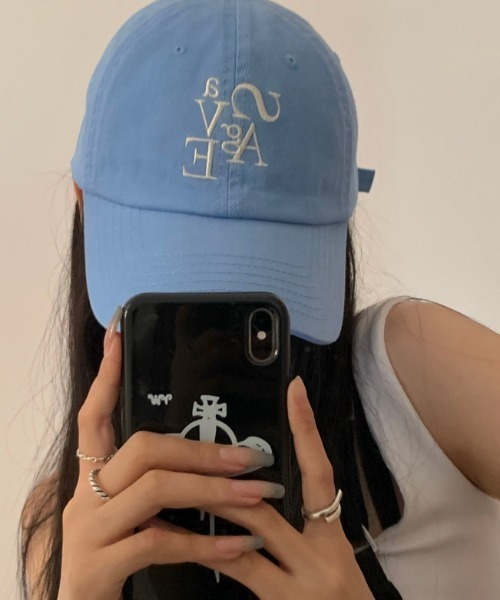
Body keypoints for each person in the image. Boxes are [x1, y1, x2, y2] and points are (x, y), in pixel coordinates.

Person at [19, 0, 500, 599]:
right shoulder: (64, 529)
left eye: (261, 280)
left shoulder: (416, 378)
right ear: (83, 205)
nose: (215, 305)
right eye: (174, 297)